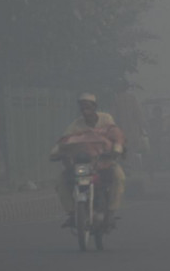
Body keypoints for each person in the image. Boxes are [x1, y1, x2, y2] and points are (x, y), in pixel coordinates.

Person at [50, 93, 126, 228]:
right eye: (82, 108)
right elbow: (65, 140)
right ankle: (72, 213)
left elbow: (115, 135)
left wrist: (116, 149)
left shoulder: (106, 119)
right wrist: (56, 152)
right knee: (61, 180)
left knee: (119, 177)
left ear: (95, 107)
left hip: (103, 162)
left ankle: (111, 212)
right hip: (82, 165)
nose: (85, 110)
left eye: (88, 107)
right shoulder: (76, 125)